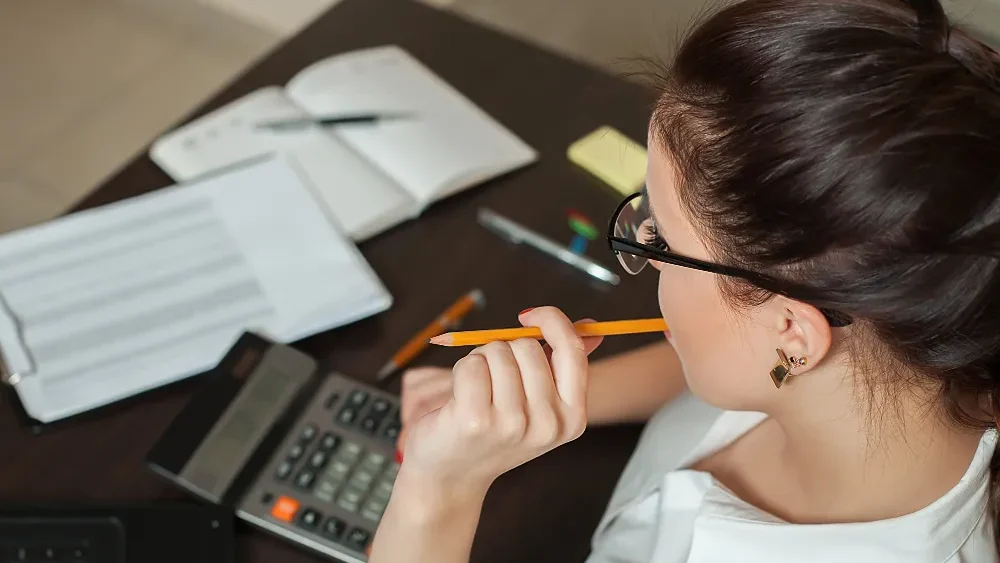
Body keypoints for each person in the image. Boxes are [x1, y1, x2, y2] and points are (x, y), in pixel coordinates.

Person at [368, 0, 1000, 560]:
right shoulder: (894, 357)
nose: (644, 244)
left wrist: (437, 493)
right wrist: (565, 395)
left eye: (665, 238)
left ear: (791, 332)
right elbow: (711, 370)